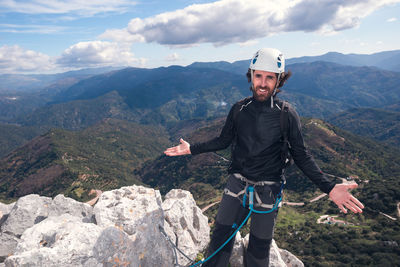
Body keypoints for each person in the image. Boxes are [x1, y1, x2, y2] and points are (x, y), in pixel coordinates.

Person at [164, 48, 364, 267]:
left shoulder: (286, 115)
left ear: (279, 81)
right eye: (258, 76)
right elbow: (223, 141)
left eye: (270, 77)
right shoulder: (239, 109)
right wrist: (192, 148)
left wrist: (330, 188)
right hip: (236, 185)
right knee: (219, 243)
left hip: (268, 191)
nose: (262, 83)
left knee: (258, 253)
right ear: (251, 76)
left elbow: (301, 155)